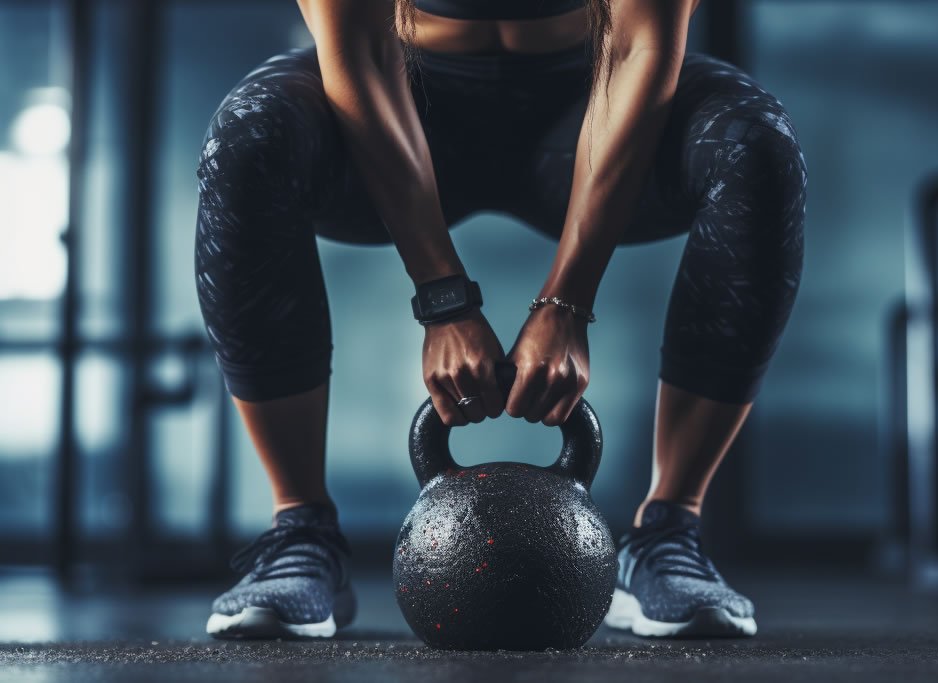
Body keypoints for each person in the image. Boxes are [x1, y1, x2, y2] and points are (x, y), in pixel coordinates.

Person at [195, 0, 806, 640]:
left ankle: (667, 531)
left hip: (590, 101)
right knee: (248, 135)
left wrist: (565, 303)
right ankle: (300, 531)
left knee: (753, 143)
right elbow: (365, 53)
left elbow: (634, 50)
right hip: (402, 96)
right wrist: (444, 299)